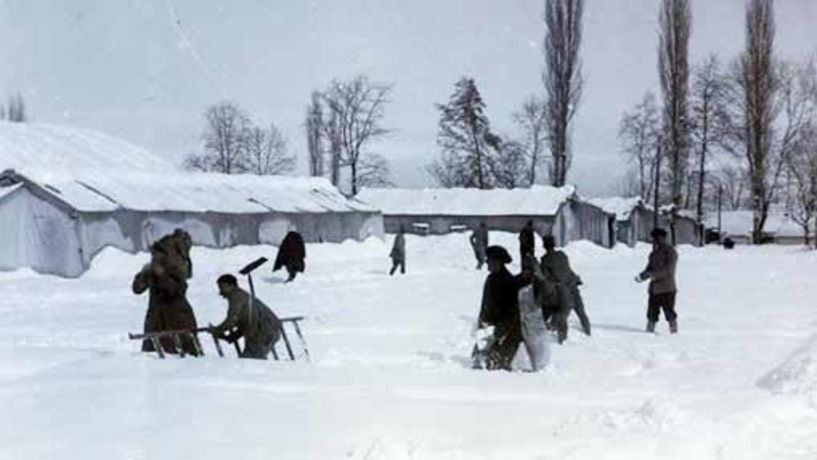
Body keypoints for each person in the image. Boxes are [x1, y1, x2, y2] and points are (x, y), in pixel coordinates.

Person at [132, 240, 199, 355]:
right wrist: (142, 274)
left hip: (176, 318)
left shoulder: (176, 269)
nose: (155, 258)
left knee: (183, 353)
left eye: (158, 255)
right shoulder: (151, 271)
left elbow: (175, 290)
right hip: (156, 319)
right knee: (152, 353)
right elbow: (137, 289)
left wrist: (162, 275)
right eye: (153, 255)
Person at [473, 246, 531, 371]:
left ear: (498, 262)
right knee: (479, 362)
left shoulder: (507, 282)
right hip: (490, 330)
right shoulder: (491, 279)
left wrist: (498, 334)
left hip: (507, 333)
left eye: (489, 260)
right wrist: (482, 326)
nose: (487, 263)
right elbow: (486, 307)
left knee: (498, 367)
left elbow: (512, 313)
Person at [213, 274, 282, 359]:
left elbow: (232, 320)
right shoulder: (241, 296)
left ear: (231, 286)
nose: (220, 291)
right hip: (266, 328)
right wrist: (231, 337)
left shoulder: (237, 297)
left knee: (251, 360)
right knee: (252, 359)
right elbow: (245, 320)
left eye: (222, 287)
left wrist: (217, 330)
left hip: (263, 330)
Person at [540, 235, 591, 340]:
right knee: (580, 311)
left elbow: (544, 277)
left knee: (560, 314)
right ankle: (588, 332)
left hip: (562, 292)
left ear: (544, 246)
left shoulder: (545, 260)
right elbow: (566, 270)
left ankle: (562, 339)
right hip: (572, 285)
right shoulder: (562, 255)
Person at [636, 228, 679, 333]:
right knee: (652, 313)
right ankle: (649, 331)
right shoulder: (653, 254)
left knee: (669, 312)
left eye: (657, 238)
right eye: (654, 239)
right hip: (654, 289)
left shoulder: (671, 252)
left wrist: (652, 275)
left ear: (664, 238)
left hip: (667, 288)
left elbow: (668, 271)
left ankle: (674, 332)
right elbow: (649, 268)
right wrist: (642, 276)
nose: (655, 241)